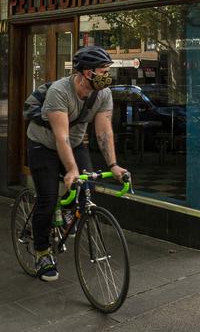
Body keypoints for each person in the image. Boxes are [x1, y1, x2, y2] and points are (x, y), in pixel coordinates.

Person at [26, 46, 127, 282]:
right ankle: (42, 252)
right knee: (48, 198)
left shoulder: (103, 94)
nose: (106, 75)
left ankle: (68, 214)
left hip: (75, 143)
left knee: (88, 187)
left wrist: (113, 165)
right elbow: (60, 136)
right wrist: (71, 170)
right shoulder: (60, 91)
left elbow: (103, 131)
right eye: (102, 70)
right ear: (86, 72)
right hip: (43, 145)